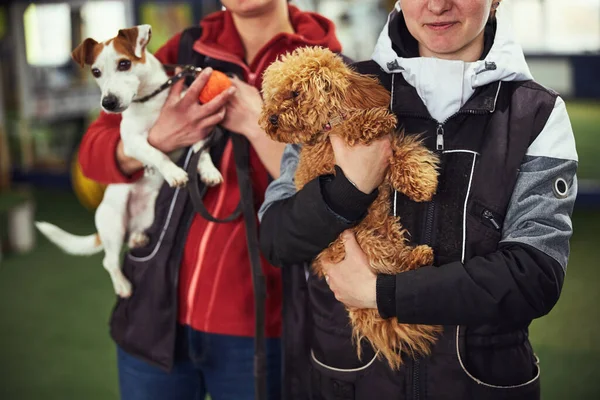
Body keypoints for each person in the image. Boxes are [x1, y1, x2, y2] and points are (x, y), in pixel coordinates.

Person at [258, 0, 578, 399]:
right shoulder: (333, 89)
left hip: (479, 386)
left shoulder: (538, 112)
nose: (438, 5)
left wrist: (383, 295)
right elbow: (275, 239)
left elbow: (535, 275)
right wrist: (349, 189)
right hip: (349, 383)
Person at [77, 1, 343, 399]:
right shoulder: (182, 51)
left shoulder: (330, 67)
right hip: (156, 314)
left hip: (263, 323)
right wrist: (158, 140)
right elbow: (92, 153)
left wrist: (259, 126)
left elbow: (336, 193)